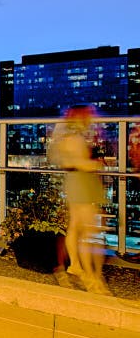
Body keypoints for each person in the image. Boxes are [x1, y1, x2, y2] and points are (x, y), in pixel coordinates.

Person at [48, 105, 110, 295]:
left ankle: (77, 266)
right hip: (81, 182)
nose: (93, 117)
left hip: (77, 182)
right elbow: (73, 161)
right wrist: (93, 164)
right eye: (89, 115)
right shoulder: (74, 136)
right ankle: (91, 276)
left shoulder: (68, 134)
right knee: (89, 230)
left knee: (76, 226)